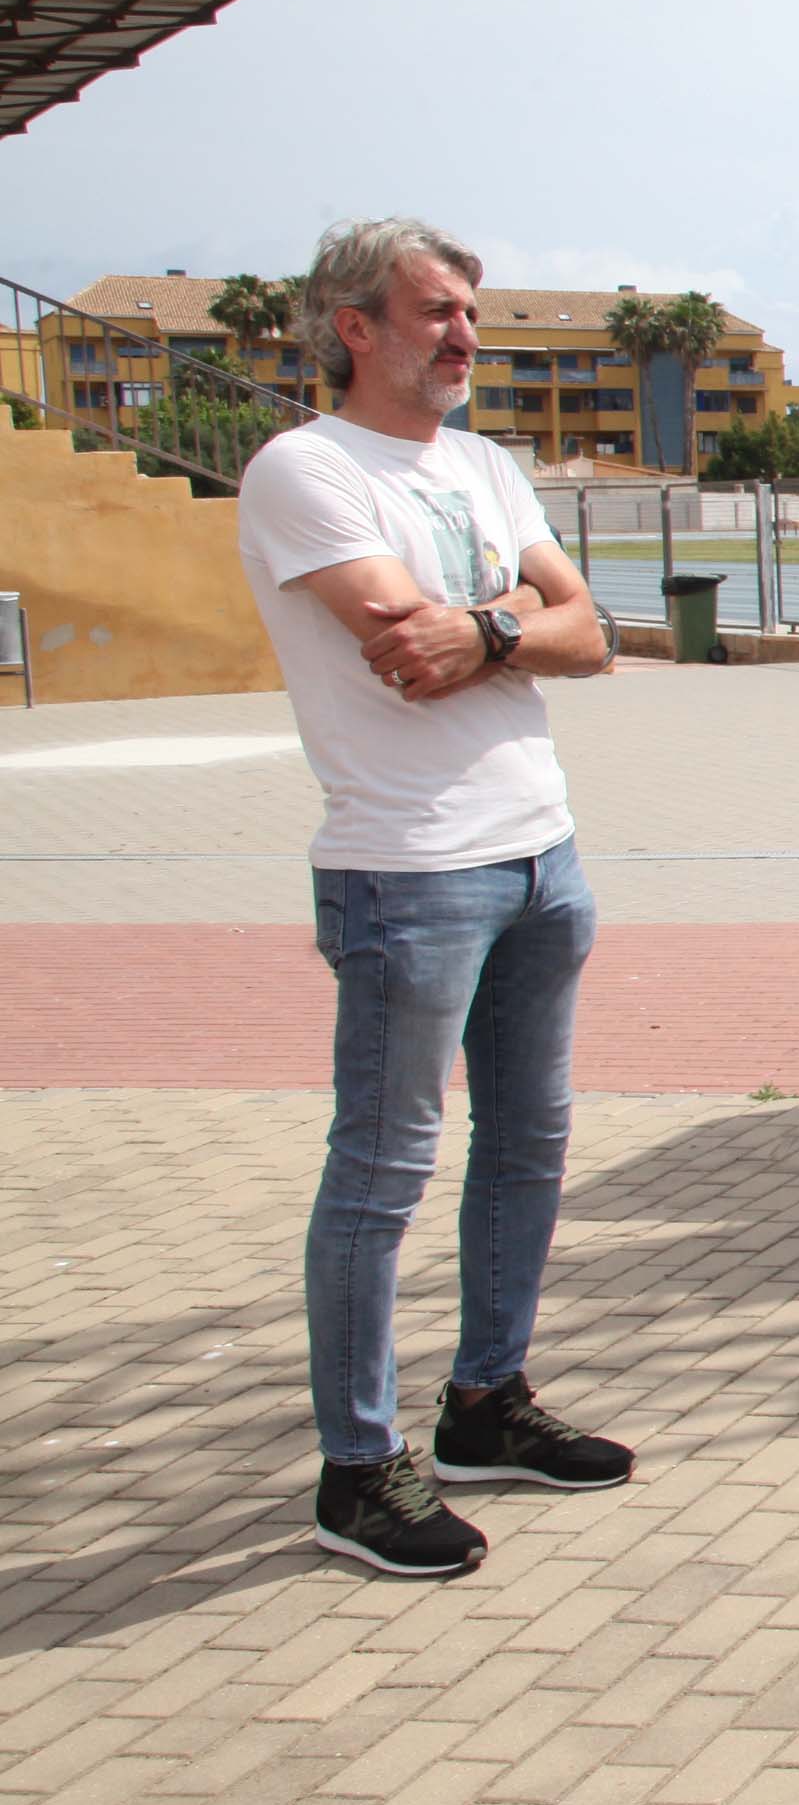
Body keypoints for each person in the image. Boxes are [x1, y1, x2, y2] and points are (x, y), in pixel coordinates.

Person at [237, 218, 633, 1578]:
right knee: (382, 1171)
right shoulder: (305, 470)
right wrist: (515, 627)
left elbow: (597, 633)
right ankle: (358, 1470)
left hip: (542, 853)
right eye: (436, 313)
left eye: (471, 314)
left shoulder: (484, 464)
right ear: (356, 326)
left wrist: (499, 630)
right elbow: (403, 647)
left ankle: (486, 1405)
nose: (464, 336)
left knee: (527, 1145)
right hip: (407, 873)